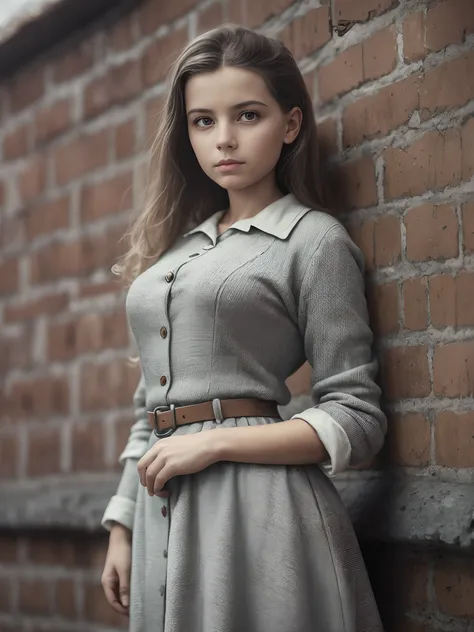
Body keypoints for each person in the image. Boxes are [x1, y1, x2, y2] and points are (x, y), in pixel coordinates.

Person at [100, 23, 387, 632]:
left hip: (261, 512)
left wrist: (214, 442)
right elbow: (149, 406)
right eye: (203, 121)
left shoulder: (314, 242)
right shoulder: (175, 251)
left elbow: (356, 418)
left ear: (290, 124)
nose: (223, 139)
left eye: (247, 115)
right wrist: (122, 521)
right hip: (161, 509)